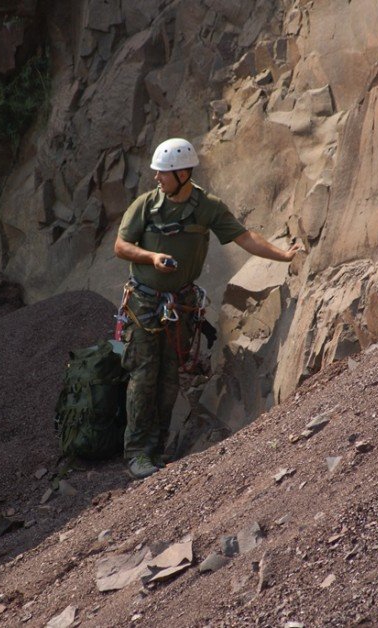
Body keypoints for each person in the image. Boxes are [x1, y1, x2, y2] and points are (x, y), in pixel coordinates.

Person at [114, 137, 302, 479]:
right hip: (143, 304)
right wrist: (152, 257)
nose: (157, 178)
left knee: (170, 377)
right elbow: (121, 246)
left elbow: (244, 237)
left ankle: (157, 449)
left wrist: (283, 255)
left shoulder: (207, 207)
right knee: (143, 376)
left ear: (183, 173)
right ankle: (137, 453)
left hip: (180, 309)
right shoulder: (145, 206)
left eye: (164, 173)